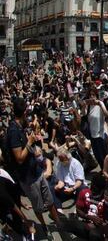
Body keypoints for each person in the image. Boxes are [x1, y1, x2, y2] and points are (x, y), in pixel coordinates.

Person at [5, 97, 60, 234]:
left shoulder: (20, 126)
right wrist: (29, 143)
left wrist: (33, 142)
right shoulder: (13, 131)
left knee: (50, 199)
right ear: (24, 112)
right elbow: (19, 158)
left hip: (37, 170)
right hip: (28, 178)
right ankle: (43, 226)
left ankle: (59, 223)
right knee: (38, 206)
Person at [83, 87, 108, 168]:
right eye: (90, 95)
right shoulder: (89, 106)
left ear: (96, 96)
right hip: (92, 134)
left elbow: (106, 114)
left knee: (103, 154)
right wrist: (84, 105)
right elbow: (84, 115)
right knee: (97, 155)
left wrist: (100, 104)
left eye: (93, 95)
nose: (92, 97)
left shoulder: (100, 104)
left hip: (100, 134)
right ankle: (103, 169)